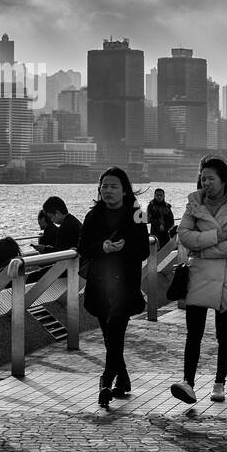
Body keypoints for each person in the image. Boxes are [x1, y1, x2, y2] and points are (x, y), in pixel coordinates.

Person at [171, 158, 227, 406]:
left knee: (222, 333)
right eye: (203, 178)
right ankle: (188, 382)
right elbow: (184, 235)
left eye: (211, 178)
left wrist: (202, 248)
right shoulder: (194, 203)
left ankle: (219, 382)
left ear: (224, 180)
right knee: (193, 332)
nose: (206, 183)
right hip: (199, 275)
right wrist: (216, 235)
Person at [79, 167, 150, 408]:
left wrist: (123, 247)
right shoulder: (92, 216)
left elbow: (143, 250)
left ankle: (105, 382)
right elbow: (84, 247)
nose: (108, 191)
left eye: (113, 186)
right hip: (99, 284)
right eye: (104, 186)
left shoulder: (137, 215)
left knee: (116, 331)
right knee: (110, 336)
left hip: (124, 284)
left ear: (124, 190)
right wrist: (103, 247)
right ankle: (124, 378)